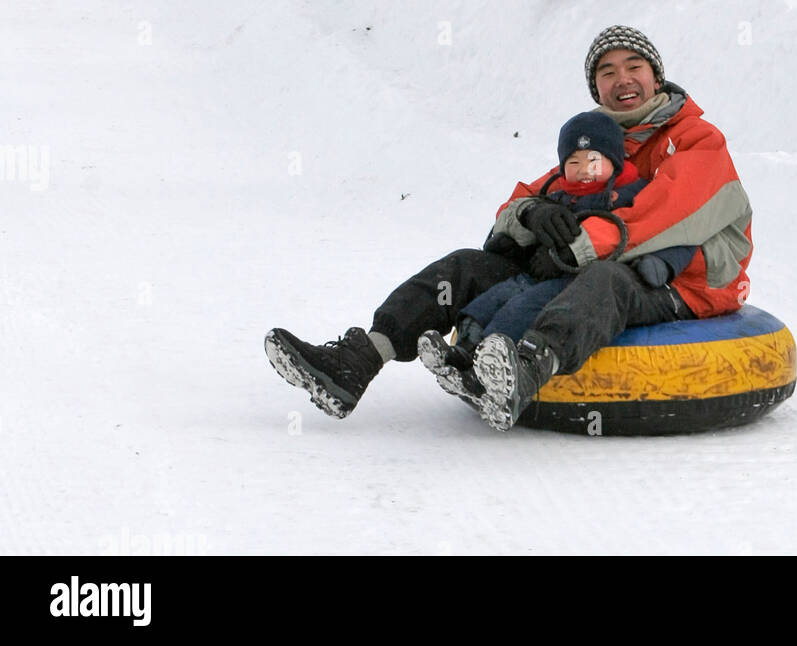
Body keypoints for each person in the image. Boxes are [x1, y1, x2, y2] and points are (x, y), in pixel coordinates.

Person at [264, 26, 752, 433]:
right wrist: (531, 217)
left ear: (656, 76)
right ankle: (358, 361)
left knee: (604, 280)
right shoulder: (599, 142)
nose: (622, 80)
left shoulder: (698, 140)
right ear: (596, 89)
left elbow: (663, 217)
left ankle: (526, 369)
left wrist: (573, 248)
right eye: (608, 73)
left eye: (633, 68)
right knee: (467, 267)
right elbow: (522, 201)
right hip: (591, 262)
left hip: (683, 282)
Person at [417, 108, 696, 415]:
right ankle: (464, 351)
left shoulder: (636, 193)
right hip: (544, 275)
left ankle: (492, 362)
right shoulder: (559, 195)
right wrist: (519, 237)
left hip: (586, 283)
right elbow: (526, 218)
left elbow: (667, 228)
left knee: (524, 306)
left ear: (615, 162)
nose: (583, 169)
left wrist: (662, 264)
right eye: (573, 163)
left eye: (593, 160)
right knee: (500, 295)